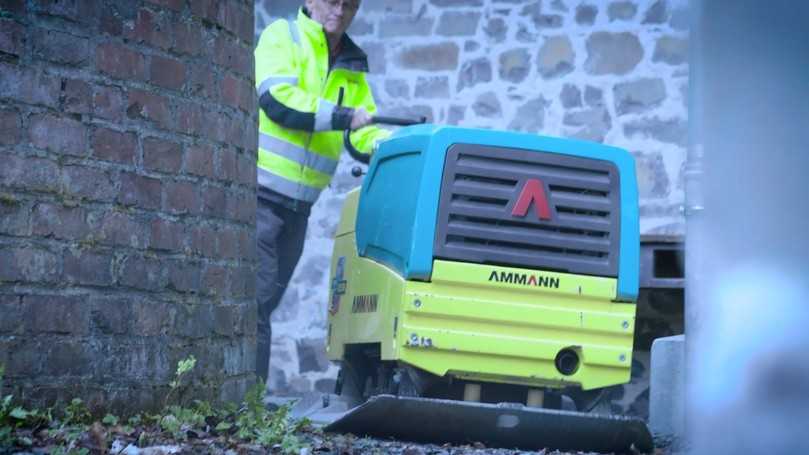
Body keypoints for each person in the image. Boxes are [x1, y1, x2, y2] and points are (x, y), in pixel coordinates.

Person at [253, 0, 390, 384]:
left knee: (266, 302)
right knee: (255, 305)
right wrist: (345, 116)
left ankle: (243, 408)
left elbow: (363, 129)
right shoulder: (284, 36)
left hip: (299, 207)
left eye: (350, 5)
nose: (341, 11)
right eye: (333, 1)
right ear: (311, 0)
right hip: (259, 195)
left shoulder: (351, 65)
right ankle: (246, 408)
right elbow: (278, 100)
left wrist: (385, 144)